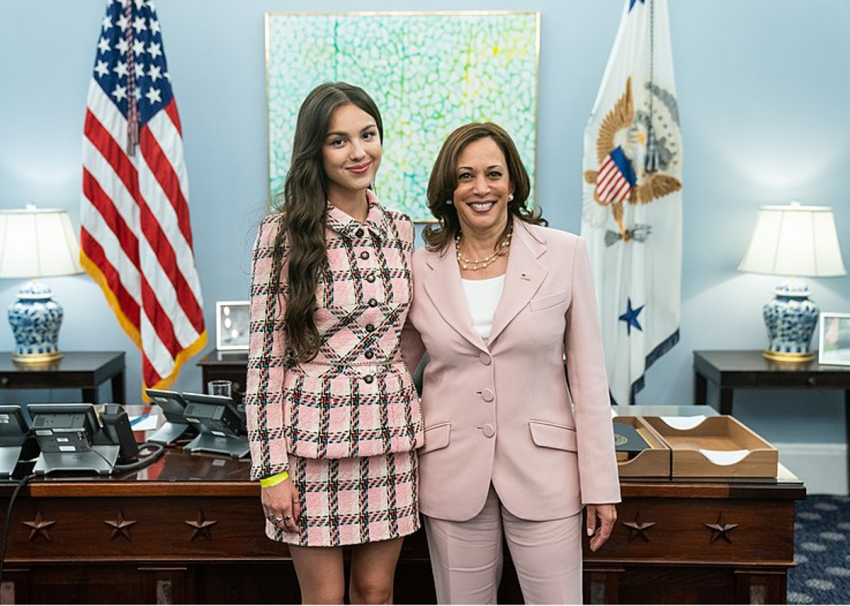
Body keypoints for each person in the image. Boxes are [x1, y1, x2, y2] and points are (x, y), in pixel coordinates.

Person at [402, 122, 620, 604]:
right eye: (465, 176)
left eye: (493, 173)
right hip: (451, 474)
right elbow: (392, 370)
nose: (481, 188)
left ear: (514, 183)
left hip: (546, 473)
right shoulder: (417, 267)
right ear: (448, 189)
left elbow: (588, 378)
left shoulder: (565, 254)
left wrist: (601, 486)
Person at [245, 82, 424, 605]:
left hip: (390, 440)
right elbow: (264, 362)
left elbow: (408, 337)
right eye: (339, 141)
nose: (358, 151)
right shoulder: (282, 234)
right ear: (315, 151)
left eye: (368, 135)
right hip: (311, 448)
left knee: (376, 592)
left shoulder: (400, 229)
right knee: (323, 600)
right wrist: (271, 470)